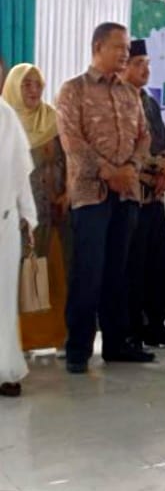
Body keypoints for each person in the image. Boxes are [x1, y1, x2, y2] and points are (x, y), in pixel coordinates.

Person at [57, 23, 155, 372]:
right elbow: (71, 141)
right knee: (89, 271)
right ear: (98, 46)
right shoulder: (73, 90)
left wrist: (130, 168)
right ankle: (78, 349)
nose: (126, 53)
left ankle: (116, 344)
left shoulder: (130, 94)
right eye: (120, 47)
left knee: (118, 272)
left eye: (127, 48)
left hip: (126, 193)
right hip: (90, 194)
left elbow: (144, 138)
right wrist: (108, 172)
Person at [118, 40, 165, 350]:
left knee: (157, 262)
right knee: (131, 265)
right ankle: (131, 329)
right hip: (129, 195)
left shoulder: (148, 100)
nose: (145, 69)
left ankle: (155, 326)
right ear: (124, 66)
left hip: (155, 196)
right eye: (138, 63)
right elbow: (125, 147)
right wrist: (155, 169)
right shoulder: (117, 99)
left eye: (147, 63)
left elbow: (163, 141)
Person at [2, 63, 70, 353]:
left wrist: (68, 191)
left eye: (37, 84)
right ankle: (18, 342)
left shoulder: (54, 119)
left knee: (52, 275)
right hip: (15, 214)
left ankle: (52, 337)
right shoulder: (7, 121)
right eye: (26, 84)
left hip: (53, 211)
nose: (33, 90)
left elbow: (70, 159)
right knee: (17, 278)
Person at [1, 74, 37, 396]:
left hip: (5, 223)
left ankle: (5, 368)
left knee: (4, 300)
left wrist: (29, 216)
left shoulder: (7, 116)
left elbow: (21, 172)